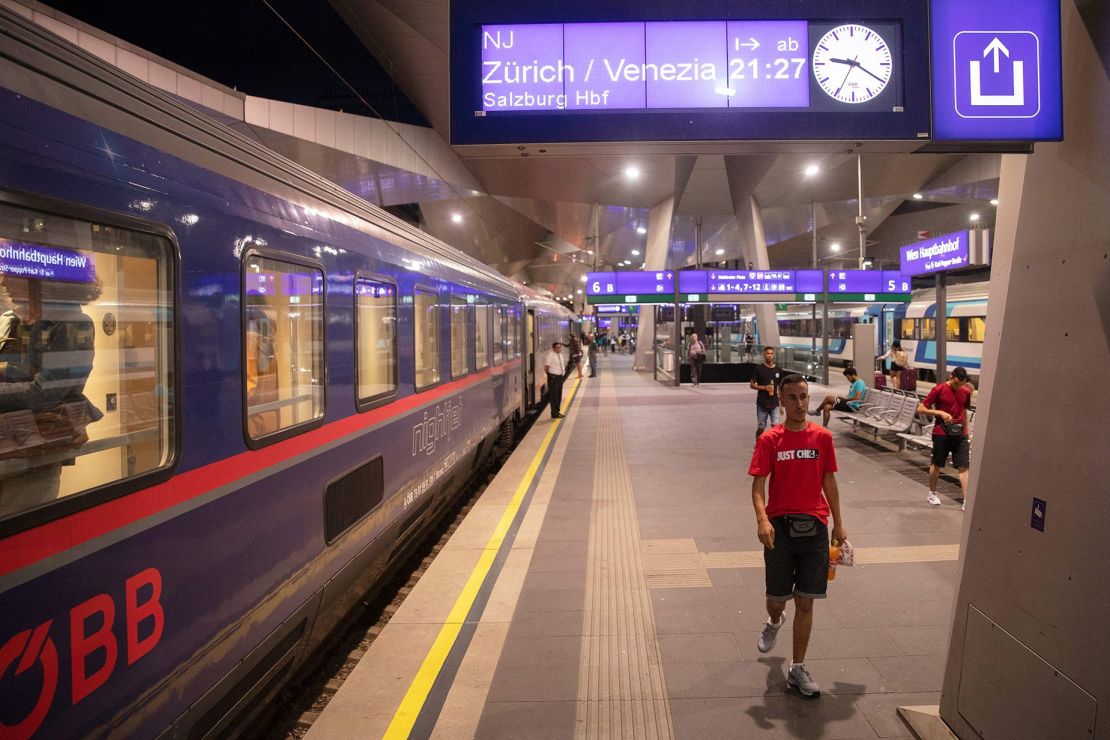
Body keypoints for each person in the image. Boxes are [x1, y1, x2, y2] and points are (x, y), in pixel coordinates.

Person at [749, 373, 847, 698]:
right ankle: (774, 620)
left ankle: (797, 668)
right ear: (781, 401)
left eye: (803, 397)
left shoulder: (822, 438)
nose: (800, 404)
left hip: (815, 529)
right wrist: (763, 520)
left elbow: (829, 481)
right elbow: (758, 486)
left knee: (807, 601)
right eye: (792, 398)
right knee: (777, 599)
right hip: (780, 529)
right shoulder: (770, 440)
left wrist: (839, 523)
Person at [917, 366, 974, 509]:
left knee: (964, 466)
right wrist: (940, 413)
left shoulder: (966, 392)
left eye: (961, 384)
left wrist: (967, 432)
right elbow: (921, 408)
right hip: (941, 433)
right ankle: (932, 492)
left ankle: (967, 500)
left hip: (960, 434)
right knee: (937, 465)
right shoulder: (938, 390)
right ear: (951, 377)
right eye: (956, 384)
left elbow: (964, 411)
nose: (958, 387)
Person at [750, 346, 784, 441]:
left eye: (771, 353)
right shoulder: (758, 369)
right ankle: (758, 444)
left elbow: (781, 388)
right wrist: (764, 387)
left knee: (776, 427)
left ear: (774, 355)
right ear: (764, 355)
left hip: (775, 403)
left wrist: (782, 405)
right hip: (762, 403)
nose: (770, 355)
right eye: (767, 353)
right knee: (761, 427)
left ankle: (775, 446)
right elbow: (752, 385)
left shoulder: (778, 370)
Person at [543, 341, 566, 419]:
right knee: (554, 396)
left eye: (560, 347)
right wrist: (550, 376)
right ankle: (554, 413)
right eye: (557, 347)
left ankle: (557, 411)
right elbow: (546, 367)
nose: (559, 348)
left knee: (559, 395)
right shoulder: (551, 355)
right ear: (554, 348)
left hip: (560, 377)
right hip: (553, 378)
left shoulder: (560, 355)